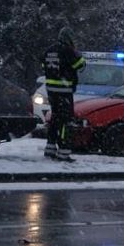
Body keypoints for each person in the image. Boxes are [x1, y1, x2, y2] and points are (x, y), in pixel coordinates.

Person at [41, 26, 86, 161]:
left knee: (55, 119)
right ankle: (64, 152)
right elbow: (80, 65)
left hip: (51, 91)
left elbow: (44, 66)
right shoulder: (68, 51)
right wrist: (78, 54)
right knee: (67, 121)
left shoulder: (49, 50)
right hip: (64, 91)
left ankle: (50, 148)